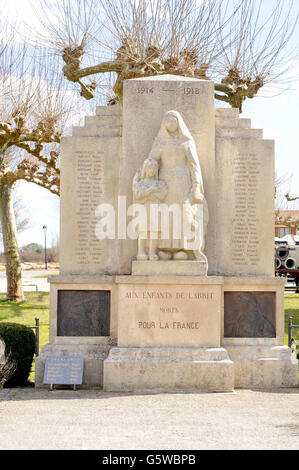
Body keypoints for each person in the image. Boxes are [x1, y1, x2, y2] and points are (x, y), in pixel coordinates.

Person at [148, 110, 208, 261]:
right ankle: (165, 249)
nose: (170, 124)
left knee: (182, 215)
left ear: (179, 123)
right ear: (164, 124)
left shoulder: (186, 143)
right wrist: (145, 179)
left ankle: (183, 249)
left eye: (173, 121)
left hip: (183, 183)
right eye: (167, 121)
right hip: (165, 183)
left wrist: (196, 185)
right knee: (167, 215)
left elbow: (194, 166)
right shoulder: (159, 142)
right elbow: (152, 161)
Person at [133, 157, 168, 260]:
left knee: (155, 231)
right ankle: (141, 251)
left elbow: (162, 196)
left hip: (155, 210)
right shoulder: (140, 184)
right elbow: (138, 196)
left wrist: (148, 193)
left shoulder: (160, 183)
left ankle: (152, 252)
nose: (151, 170)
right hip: (143, 210)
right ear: (145, 169)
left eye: (154, 168)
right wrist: (152, 191)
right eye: (149, 168)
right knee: (143, 231)